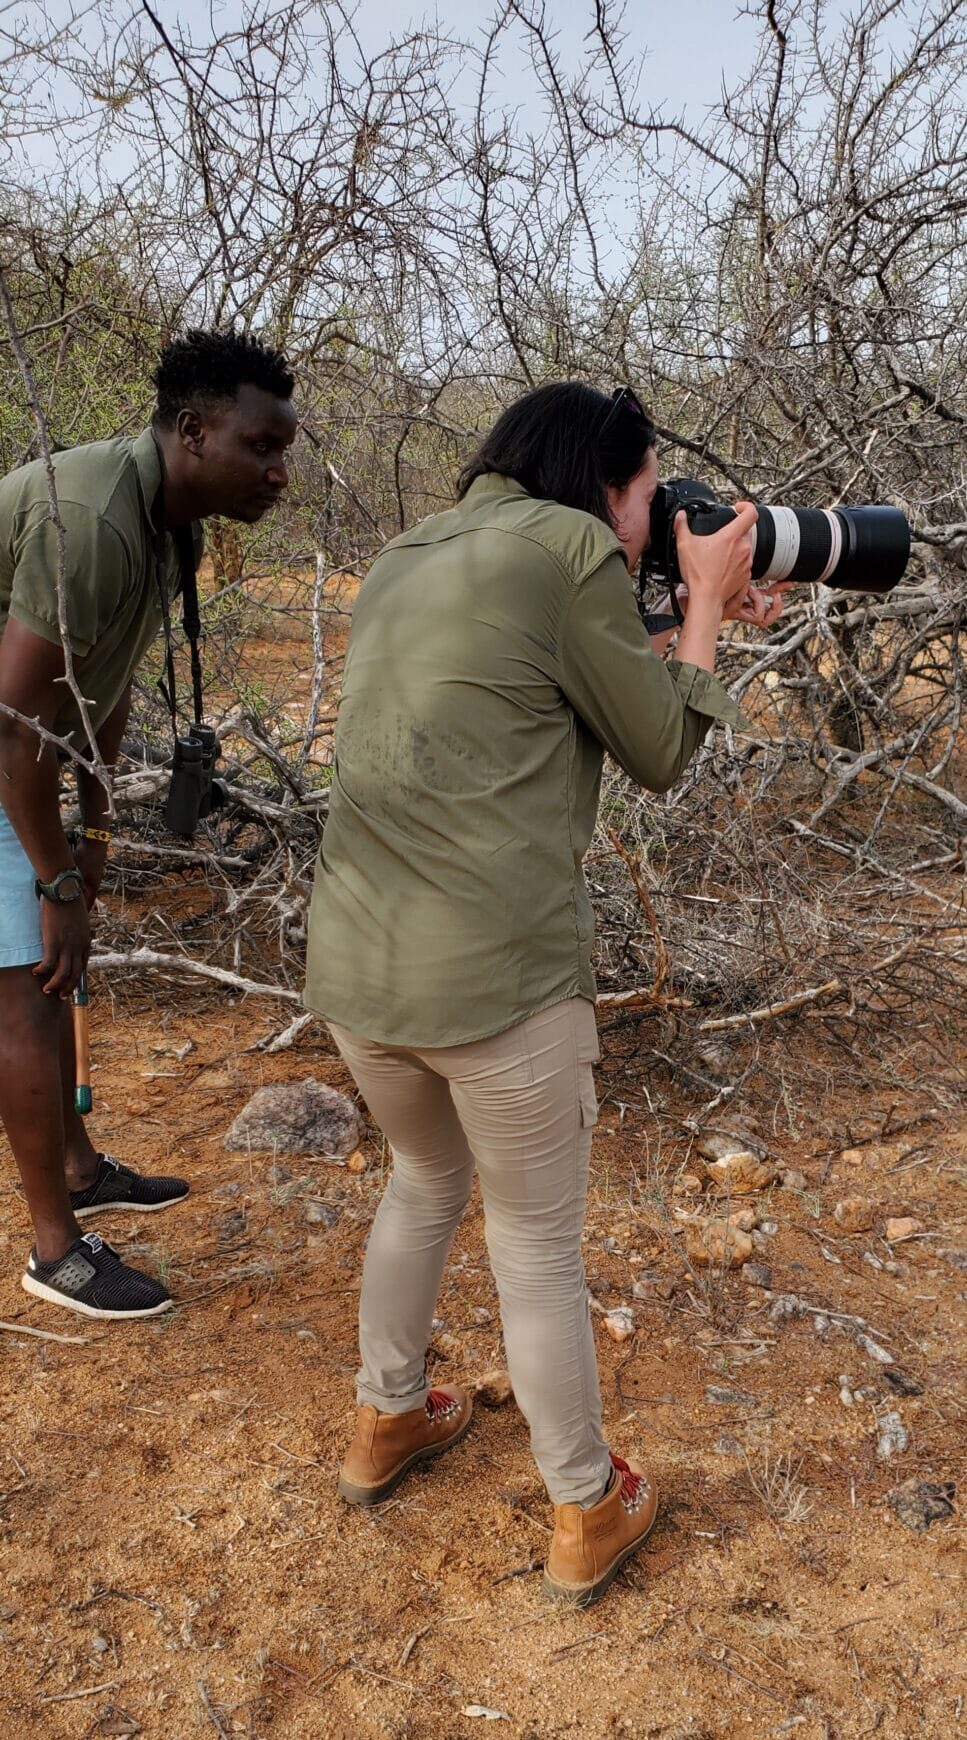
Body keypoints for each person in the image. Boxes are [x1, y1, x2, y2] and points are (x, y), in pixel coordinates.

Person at [303, 381, 788, 1606]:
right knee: (532, 1244)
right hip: (498, 979)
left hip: (360, 971)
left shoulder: (413, 549)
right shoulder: (574, 548)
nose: (646, 525)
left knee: (423, 1183)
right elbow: (662, 751)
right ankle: (585, 1502)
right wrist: (706, 616)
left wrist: (679, 609)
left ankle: (386, 1419)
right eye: (644, 502)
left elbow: (524, 696)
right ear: (601, 486)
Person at [0, 328, 297, 1320]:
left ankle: (79, 1168)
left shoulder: (169, 523)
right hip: (1, 743)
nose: (278, 472)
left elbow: (102, 689)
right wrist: (56, 881)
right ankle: (55, 1252)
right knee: (30, 994)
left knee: (57, 964)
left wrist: (94, 835)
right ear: (192, 429)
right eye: (260, 446)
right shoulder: (90, 520)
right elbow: (16, 720)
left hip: (25, 741)